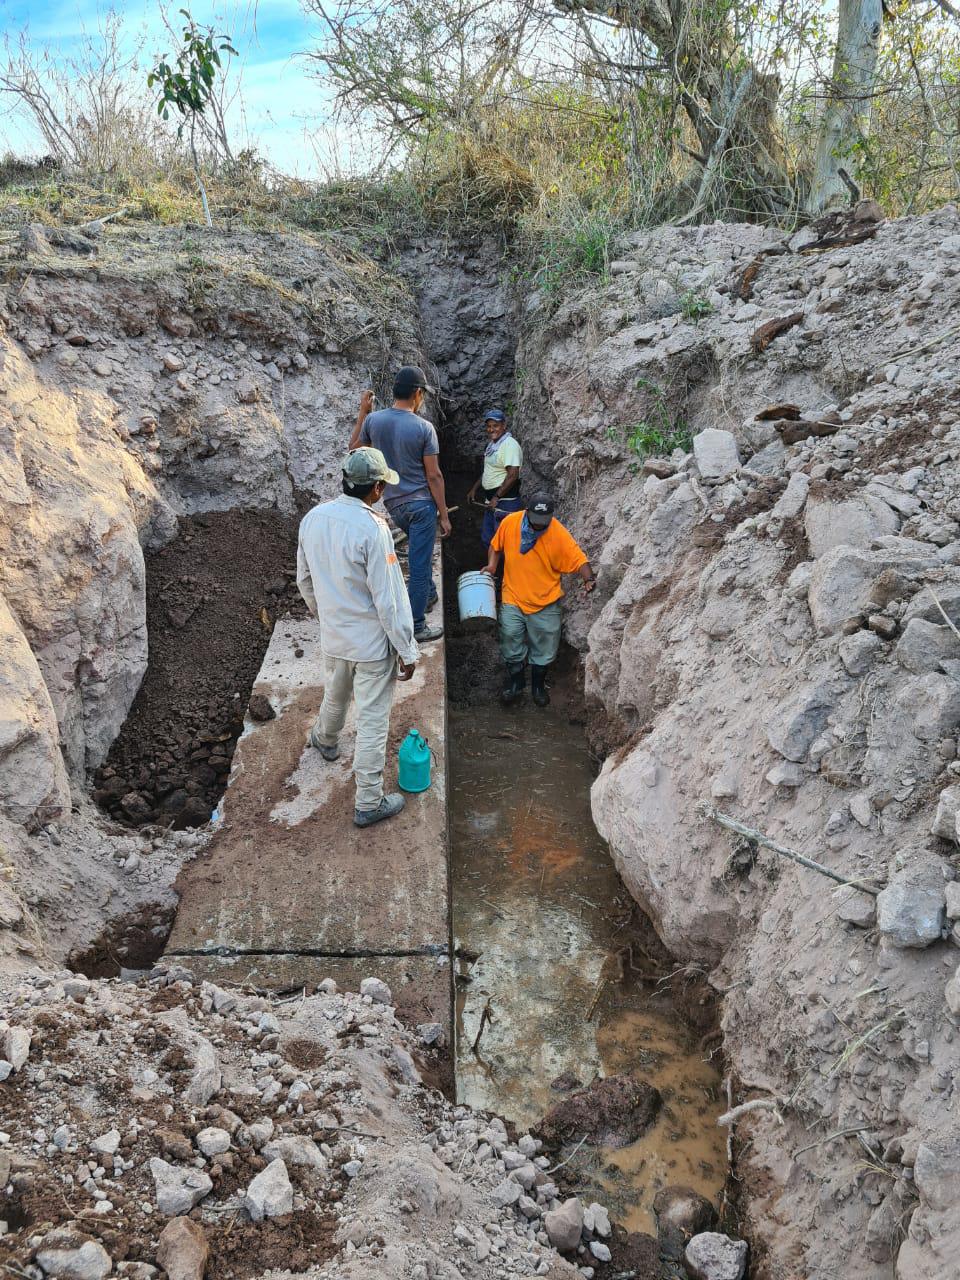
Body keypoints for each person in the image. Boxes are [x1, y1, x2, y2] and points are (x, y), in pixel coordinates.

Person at [297, 447, 419, 828]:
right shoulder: (374, 529)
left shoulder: (313, 518)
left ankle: (326, 739)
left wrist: (326, 616)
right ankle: (368, 800)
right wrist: (406, 648)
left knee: (335, 691)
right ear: (378, 489)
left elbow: (304, 578)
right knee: (372, 721)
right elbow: (389, 600)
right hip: (370, 646)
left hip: (335, 636)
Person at [349, 367, 451, 644]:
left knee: (420, 560)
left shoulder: (375, 421)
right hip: (421, 507)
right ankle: (416, 626)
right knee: (419, 567)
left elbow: (353, 451)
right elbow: (434, 475)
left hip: (395, 505)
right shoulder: (423, 428)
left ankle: (427, 594)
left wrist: (363, 413)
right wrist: (443, 515)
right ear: (417, 394)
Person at [483, 495, 595, 708]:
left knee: (545, 647)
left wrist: (588, 578)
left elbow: (578, 558)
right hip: (513, 595)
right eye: (534, 520)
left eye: (542, 522)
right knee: (509, 636)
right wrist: (491, 566)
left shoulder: (557, 532)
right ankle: (516, 683)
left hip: (545, 600)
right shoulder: (511, 523)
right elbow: (495, 546)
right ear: (526, 512)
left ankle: (537, 686)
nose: (537, 526)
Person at [467, 409, 523, 548]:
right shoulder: (492, 446)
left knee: (505, 543)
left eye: (495, 425)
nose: (491, 429)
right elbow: (489, 471)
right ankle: (494, 569)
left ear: (504, 425)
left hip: (505, 503)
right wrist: (474, 489)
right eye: (489, 426)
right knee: (489, 540)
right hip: (492, 503)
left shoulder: (509, 445)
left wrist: (497, 497)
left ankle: (506, 570)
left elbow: (513, 475)